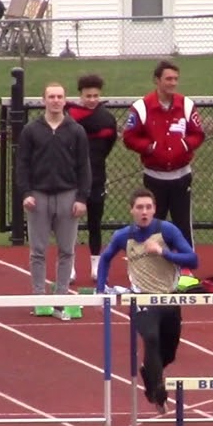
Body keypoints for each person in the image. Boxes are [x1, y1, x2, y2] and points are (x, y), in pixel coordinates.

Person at [96, 188, 200, 412]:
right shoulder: (124, 236)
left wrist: (164, 253)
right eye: (140, 208)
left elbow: (193, 259)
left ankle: (149, 372)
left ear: (154, 209)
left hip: (169, 298)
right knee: (151, 338)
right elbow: (105, 259)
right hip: (141, 298)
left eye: (148, 207)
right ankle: (158, 389)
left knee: (168, 353)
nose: (144, 212)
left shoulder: (167, 231)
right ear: (131, 210)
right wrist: (100, 289)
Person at [17, 82, 91, 311]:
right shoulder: (31, 130)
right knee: (37, 250)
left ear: (65, 100)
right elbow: (22, 164)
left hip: (68, 194)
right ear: (44, 100)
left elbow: (84, 166)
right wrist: (26, 192)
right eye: (51, 96)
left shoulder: (76, 130)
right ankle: (39, 296)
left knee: (66, 250)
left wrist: (82, 198)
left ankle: (61, 296)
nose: (56, 100)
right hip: (39, 195)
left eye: (60, 96)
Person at [122, 60, 205, 249]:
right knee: (153, 224)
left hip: (181, 176)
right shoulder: (141, 108)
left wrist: (184, 145)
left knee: (183, 223)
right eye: (168, 79)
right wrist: (150, 147)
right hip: (154, 178)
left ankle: (185, 267)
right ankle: (150, 267)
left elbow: (198, 134)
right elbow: (129, 138)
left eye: (176, 79)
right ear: (157, 80)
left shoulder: (186, 105)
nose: (173, 83)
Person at [66, 74, 118, 282]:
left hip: (97, 176)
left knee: (95, 223)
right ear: (81, 95)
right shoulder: (69, 116)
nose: (92, 99)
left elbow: (108, 145)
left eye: (96, 95)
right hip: (71, 179)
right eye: (88, 95)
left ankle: (96, 266)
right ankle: (68, 266)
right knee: (69, 226)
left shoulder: (107, 119)